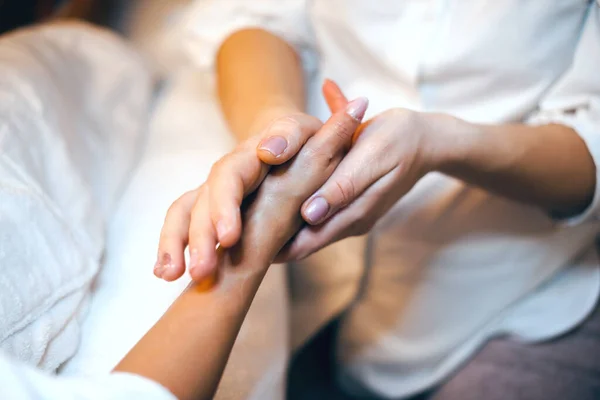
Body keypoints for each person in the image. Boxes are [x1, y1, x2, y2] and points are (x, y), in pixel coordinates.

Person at [156, 1, 600, 399]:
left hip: (512, 302)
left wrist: (439, 142)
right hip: (322, 300)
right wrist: (273, 121)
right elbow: (253, 16)